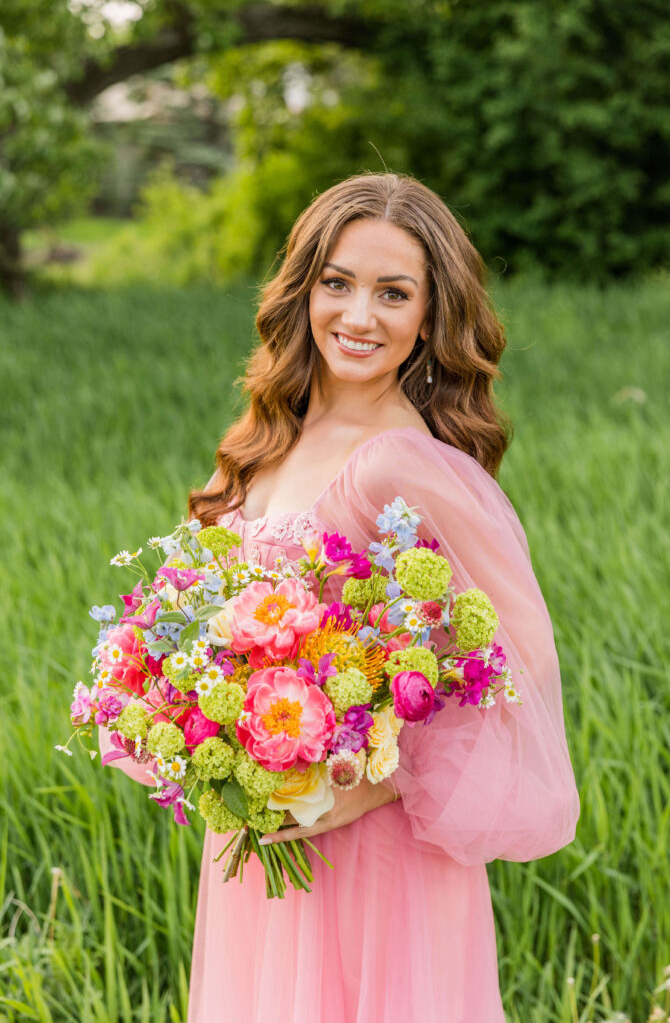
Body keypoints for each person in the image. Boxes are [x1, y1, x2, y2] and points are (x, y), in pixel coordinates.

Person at [101, 171, 580, 1022]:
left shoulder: (404, 465)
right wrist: (188, 717)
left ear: (430, 316)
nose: (359, 317)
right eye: (338, 283)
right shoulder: (259, 443)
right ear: (304, 287)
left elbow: (522, 657)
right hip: (262, 845)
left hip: (376, 854)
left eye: (392, 293)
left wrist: (367, 787)